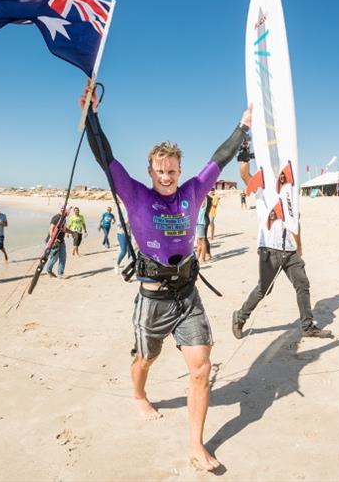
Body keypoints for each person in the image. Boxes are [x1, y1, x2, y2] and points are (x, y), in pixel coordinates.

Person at [81, 83, 249, 471]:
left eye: (172, 169)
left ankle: (195, 443)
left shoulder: (194, 190)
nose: (167, 176)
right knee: (146, 357)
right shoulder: (136, 195)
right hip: (152, 299)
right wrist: (92, 115)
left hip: (187, 296)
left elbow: (220, 159)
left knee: (201, 368)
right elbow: (106, 159)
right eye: (160, 170)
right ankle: (139, 394)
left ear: (179, 169)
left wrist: (243, 127)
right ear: (150, 171)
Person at [232, 150, 333, 341]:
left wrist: (299, 246)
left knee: (302, 283)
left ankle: (307, 326)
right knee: (264, 289)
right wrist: (244, 155)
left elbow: (296, 222)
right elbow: (244, 174)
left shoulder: (291, 194)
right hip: (269, 248)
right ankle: (240, 317)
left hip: (290, 249)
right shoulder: (263, 189)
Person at [45, 208, 75, 278]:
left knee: (63, 257)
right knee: (54, 258)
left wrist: (72, 232)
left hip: (61, 241)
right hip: (53, 241)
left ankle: (60, 274)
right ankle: (48, 271)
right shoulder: (57, 217)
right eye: (68, 211)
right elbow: (51, 229)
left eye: (69, 211)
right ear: (64, 211)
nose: (69, 213)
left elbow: (64, 229)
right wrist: (54, 240)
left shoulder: (64, 219)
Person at [115, 207, 135, 274]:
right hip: (122, 234)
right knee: (123, 251)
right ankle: (117, 264)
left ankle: (129, 268)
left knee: (131, 251)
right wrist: (126, 222)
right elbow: (118, 224)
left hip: (129, 234)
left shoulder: (132, 212)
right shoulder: (121, 212)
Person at [195, 196, 211, 263]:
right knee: (199, 241)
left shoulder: (203, 198)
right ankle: (197, 257)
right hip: (198, 223)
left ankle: (203, 258)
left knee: (202, 240)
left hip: (201, 223)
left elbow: (201, 205)